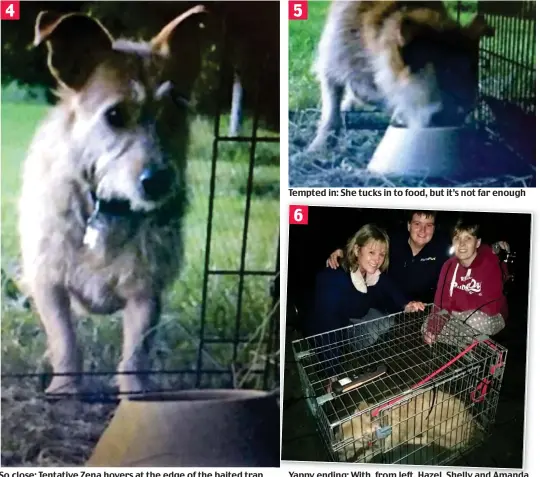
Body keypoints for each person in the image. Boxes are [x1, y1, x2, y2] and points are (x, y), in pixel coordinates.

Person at [326, 210, 510, 304]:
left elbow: (467, 247)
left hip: (420, 308)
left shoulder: (443, 246)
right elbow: (367, 242)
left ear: (434, 227)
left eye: (428, 225)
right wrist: (343, 250)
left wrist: (492, 247)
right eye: (417, 223)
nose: (422, 230)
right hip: (385, 302)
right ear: (408, 225)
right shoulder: (393, 239)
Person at [306, 223, 424, 338]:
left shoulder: (371, 273)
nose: (377, 259)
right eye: (371, 252)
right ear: (357, 250)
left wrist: (407, 304)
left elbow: (392, 289)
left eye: (381, 254)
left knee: (385, 323)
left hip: (352, 320)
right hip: (326, 331)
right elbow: (326, 328)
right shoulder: (334, 278)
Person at [423, 218, 508, 345]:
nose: (461, 244)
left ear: (477, 242)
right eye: (457, 238)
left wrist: (455, 308)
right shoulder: (448, 266)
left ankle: (473, 345)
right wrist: (432, 329)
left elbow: (491, 307)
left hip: (491, 317)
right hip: (457, 314)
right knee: (426, 328)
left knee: (474, 322)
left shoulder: (489, 264)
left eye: (468, 238)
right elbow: (441, 303)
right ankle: (471, 344)